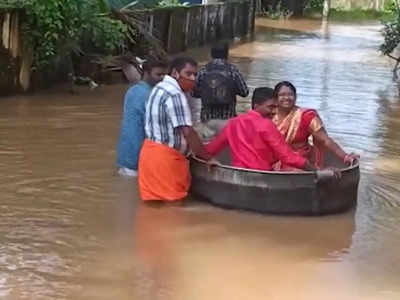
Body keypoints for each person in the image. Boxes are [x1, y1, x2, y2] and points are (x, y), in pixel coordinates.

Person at [138, 56, 211, 202]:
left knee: (154, 208)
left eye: (195, 74)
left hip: (149, 156)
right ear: (175, 73)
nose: (193, 78)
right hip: (165, 160)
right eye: (188, 73)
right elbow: (187, 132)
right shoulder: (175, 94)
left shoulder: (159, 88)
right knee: (173, 210)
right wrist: (208, 158)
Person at [205, 87, 318, 171]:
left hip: (238, 172)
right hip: (261, 175)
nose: (274, 112)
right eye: (271, 107)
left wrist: (209, 159)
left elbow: (210, 149)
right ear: (256, 105)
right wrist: (314, 170)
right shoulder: (266, 125)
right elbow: (287, 157)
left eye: (276, 107)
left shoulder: (233, 123)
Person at [272, 81, 358, 170]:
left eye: (290, 94)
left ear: (295, 97)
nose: (286, 98)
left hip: (300, 160)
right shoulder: (268, 115)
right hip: (274, 158)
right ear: (275, 98)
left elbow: (325, 140)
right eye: (282, 95)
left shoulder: (306, 116)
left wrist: (345, 156)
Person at [116, 59, 168, 177]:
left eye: (164, 75)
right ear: (146, 73)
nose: (162, 78)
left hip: (126, 154)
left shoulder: (132, 90)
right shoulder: (150, 95)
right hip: (138, 157)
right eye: (158, 74)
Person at [193, 42, 249, 140]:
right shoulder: (233, 70)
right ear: (227, 54)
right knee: (225, 147)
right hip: (227, 119)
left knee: (208, 147)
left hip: (207, 119)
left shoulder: (203, 70)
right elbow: (245, 92)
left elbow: (194, 93)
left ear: (211, 54)